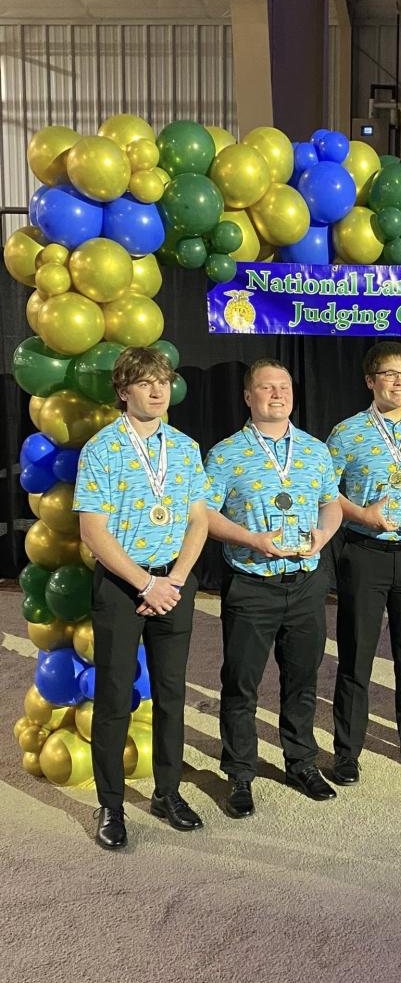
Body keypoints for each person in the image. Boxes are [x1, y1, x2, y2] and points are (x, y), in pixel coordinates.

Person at [74, 346, 209, 850]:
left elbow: (198, 519)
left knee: (172, 693)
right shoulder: (101, 449)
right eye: (145, 382)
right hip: (120, 586)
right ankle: (111, 804)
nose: (157, 390)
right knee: (113, 697)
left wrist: (173, 578)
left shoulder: (186, 446)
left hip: (174, 584)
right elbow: (93, 531)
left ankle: (167, 792)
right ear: (123, 390)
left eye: (163, 381)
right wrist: (144, 583)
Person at [204, 358, 342, 816]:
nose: (277, 394)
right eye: (266, 388)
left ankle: (300, 761)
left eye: (283, 387)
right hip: (251, 584)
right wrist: (250, 539)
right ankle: (240, 773)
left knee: (302, 680)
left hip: (305, 584)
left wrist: (323, 535)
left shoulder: (314, 450)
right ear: (248, 396)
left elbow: (331, 505)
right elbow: (205, 515)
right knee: (241, 683)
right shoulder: (225, 453)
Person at [326, 341, 401, 786]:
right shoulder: (346, 433)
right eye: (390, 374)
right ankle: (347, 751)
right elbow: (325, 492)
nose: (400, 382)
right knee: (356, 655)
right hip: (365, 554)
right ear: (370, 381)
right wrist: (362, 514)